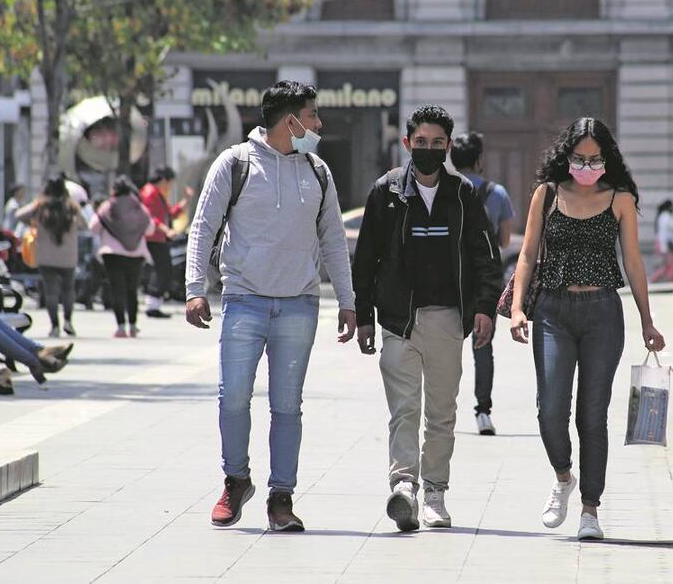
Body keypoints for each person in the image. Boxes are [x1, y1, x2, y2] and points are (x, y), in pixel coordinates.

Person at [185, 80, 356, 531]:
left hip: (299, 304)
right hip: (244, 301)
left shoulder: (317, 170)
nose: (319, 124)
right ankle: (236, 480)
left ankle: (282, 498)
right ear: (291, 121)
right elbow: (203, 226)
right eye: (313, 115)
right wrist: (194, 287)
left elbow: (333, 238)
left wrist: (347, 299)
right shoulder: (235, 164)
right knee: (233, 398)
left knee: (287, 405)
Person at [508, 118, 665, 541]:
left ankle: (590, 510)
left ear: (607, 159)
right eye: (579, 158)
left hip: (602, 312)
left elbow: (633, 261)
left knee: (592, 415)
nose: (587, 166)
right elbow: (526, 254)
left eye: (595, 159)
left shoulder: (620, 199)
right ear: (566, 156)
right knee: (551, 409)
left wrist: (647, 321)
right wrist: (518, 307)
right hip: (552, 312)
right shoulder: (547, 194)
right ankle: (563, 477)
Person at [353, 105, 502, 532]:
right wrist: (365, 316)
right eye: (421, 143)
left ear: (448, 147)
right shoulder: (386, 192)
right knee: (404, 410)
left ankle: (435, 493)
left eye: (438, 144)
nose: (429, 150)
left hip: (447, 321)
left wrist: (484, 308)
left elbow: (485, 257)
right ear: (407, 144)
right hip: (399, 321)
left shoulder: (463, 194)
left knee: (441, 413)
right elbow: (366, 260)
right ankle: (404, 489)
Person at [449, 131, 515, 436]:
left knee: (443, 349)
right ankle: (483, 411)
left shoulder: (444, 188)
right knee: (482, 348)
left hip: (449, 279)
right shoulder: (496, 193)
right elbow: (504, 240)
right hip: (485, 282)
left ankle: (441, 410)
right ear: (479, 160)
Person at [18, 175, 86, 338]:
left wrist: (37, 206)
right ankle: (68, 321)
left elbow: (20, 215)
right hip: (68, 256)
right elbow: (85, 224)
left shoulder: (41, 207)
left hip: (46, 256)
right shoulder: (72, 207)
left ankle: (54, 325)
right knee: (69, 289)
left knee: (51, 292)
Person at [91, 176, 156, 338]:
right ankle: (133, 326)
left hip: (112, 255)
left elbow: (93, 227)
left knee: (117, 290)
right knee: (132, 290)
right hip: (136, 255)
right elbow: (150, 230)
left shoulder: (107, 206)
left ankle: (121, 327)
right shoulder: (139, 206)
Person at [140, 166, 192, 318]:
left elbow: (168, 214)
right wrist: (165, 230)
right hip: (153, 238)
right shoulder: (150, 193)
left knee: (163, 268)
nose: (169, 187)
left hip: (158, 237)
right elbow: (150, 217)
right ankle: (152, 304)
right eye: (169, 183)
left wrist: (185, 201)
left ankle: (154, 303)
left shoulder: (156, 193)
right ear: (163, 180)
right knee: (162, 269)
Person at [649, 200, 673, 282]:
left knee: (670, 264)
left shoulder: (666, 216)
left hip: (667, 244)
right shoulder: (665, 216)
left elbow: (671, 233)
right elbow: (663, 233)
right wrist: (663, 247)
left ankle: (668, 279)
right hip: (664, 244)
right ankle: (653, 278)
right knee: (667, 264)